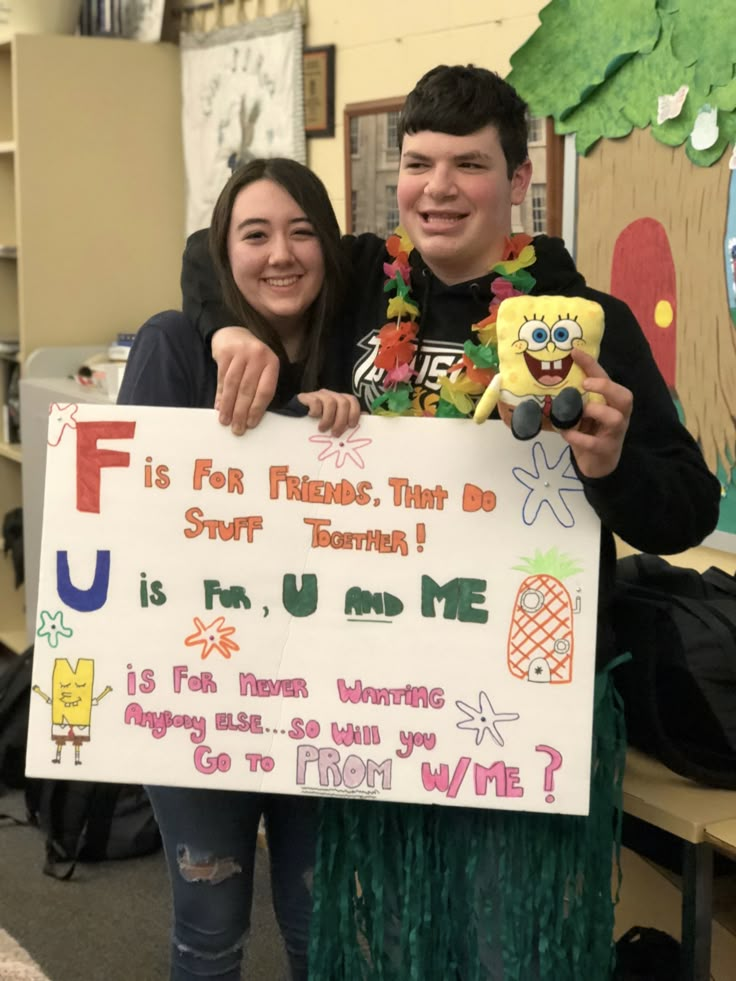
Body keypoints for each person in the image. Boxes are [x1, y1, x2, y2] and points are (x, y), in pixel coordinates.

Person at [180, 67, 721, 980]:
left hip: (518, 704)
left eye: (468, 165)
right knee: (385, 948)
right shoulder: (358, 288)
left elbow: (688, 509)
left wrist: (610, 460)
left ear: (519, 181)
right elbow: (213, 247)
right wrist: (222, 332)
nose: (435, 189)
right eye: (418, 162)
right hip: (375, 699)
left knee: (503, 951)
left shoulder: (587, 326)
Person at [118, 157, 360, 981]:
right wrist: (224, 330)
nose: (280, 254)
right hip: (201, 700)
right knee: (211, 928)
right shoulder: (172, 343)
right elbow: (131, 522)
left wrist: (350, 429)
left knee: (322, 927)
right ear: (224, 250)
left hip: (328, 702)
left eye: (301, 233)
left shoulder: (359, 355)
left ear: (330, 246)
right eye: (254, 234)